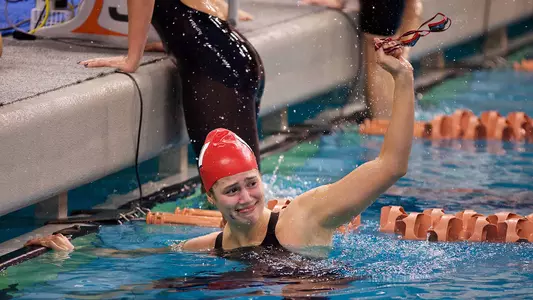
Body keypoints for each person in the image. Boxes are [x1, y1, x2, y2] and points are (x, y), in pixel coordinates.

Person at [27, 39, 414, 257]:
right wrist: (68, 253)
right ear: (210, 197)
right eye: (231, 189)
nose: (247, 197)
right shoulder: (208, 246)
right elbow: (144, 257)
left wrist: (404, 78)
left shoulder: (305, 218)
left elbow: (391, 165)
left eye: (251, 182)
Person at [77, 0, 264, 166]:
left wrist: (132, 59)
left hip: (218, 67)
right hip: (232, 55)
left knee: (231, 189)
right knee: (238, 188)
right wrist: (177, 40)